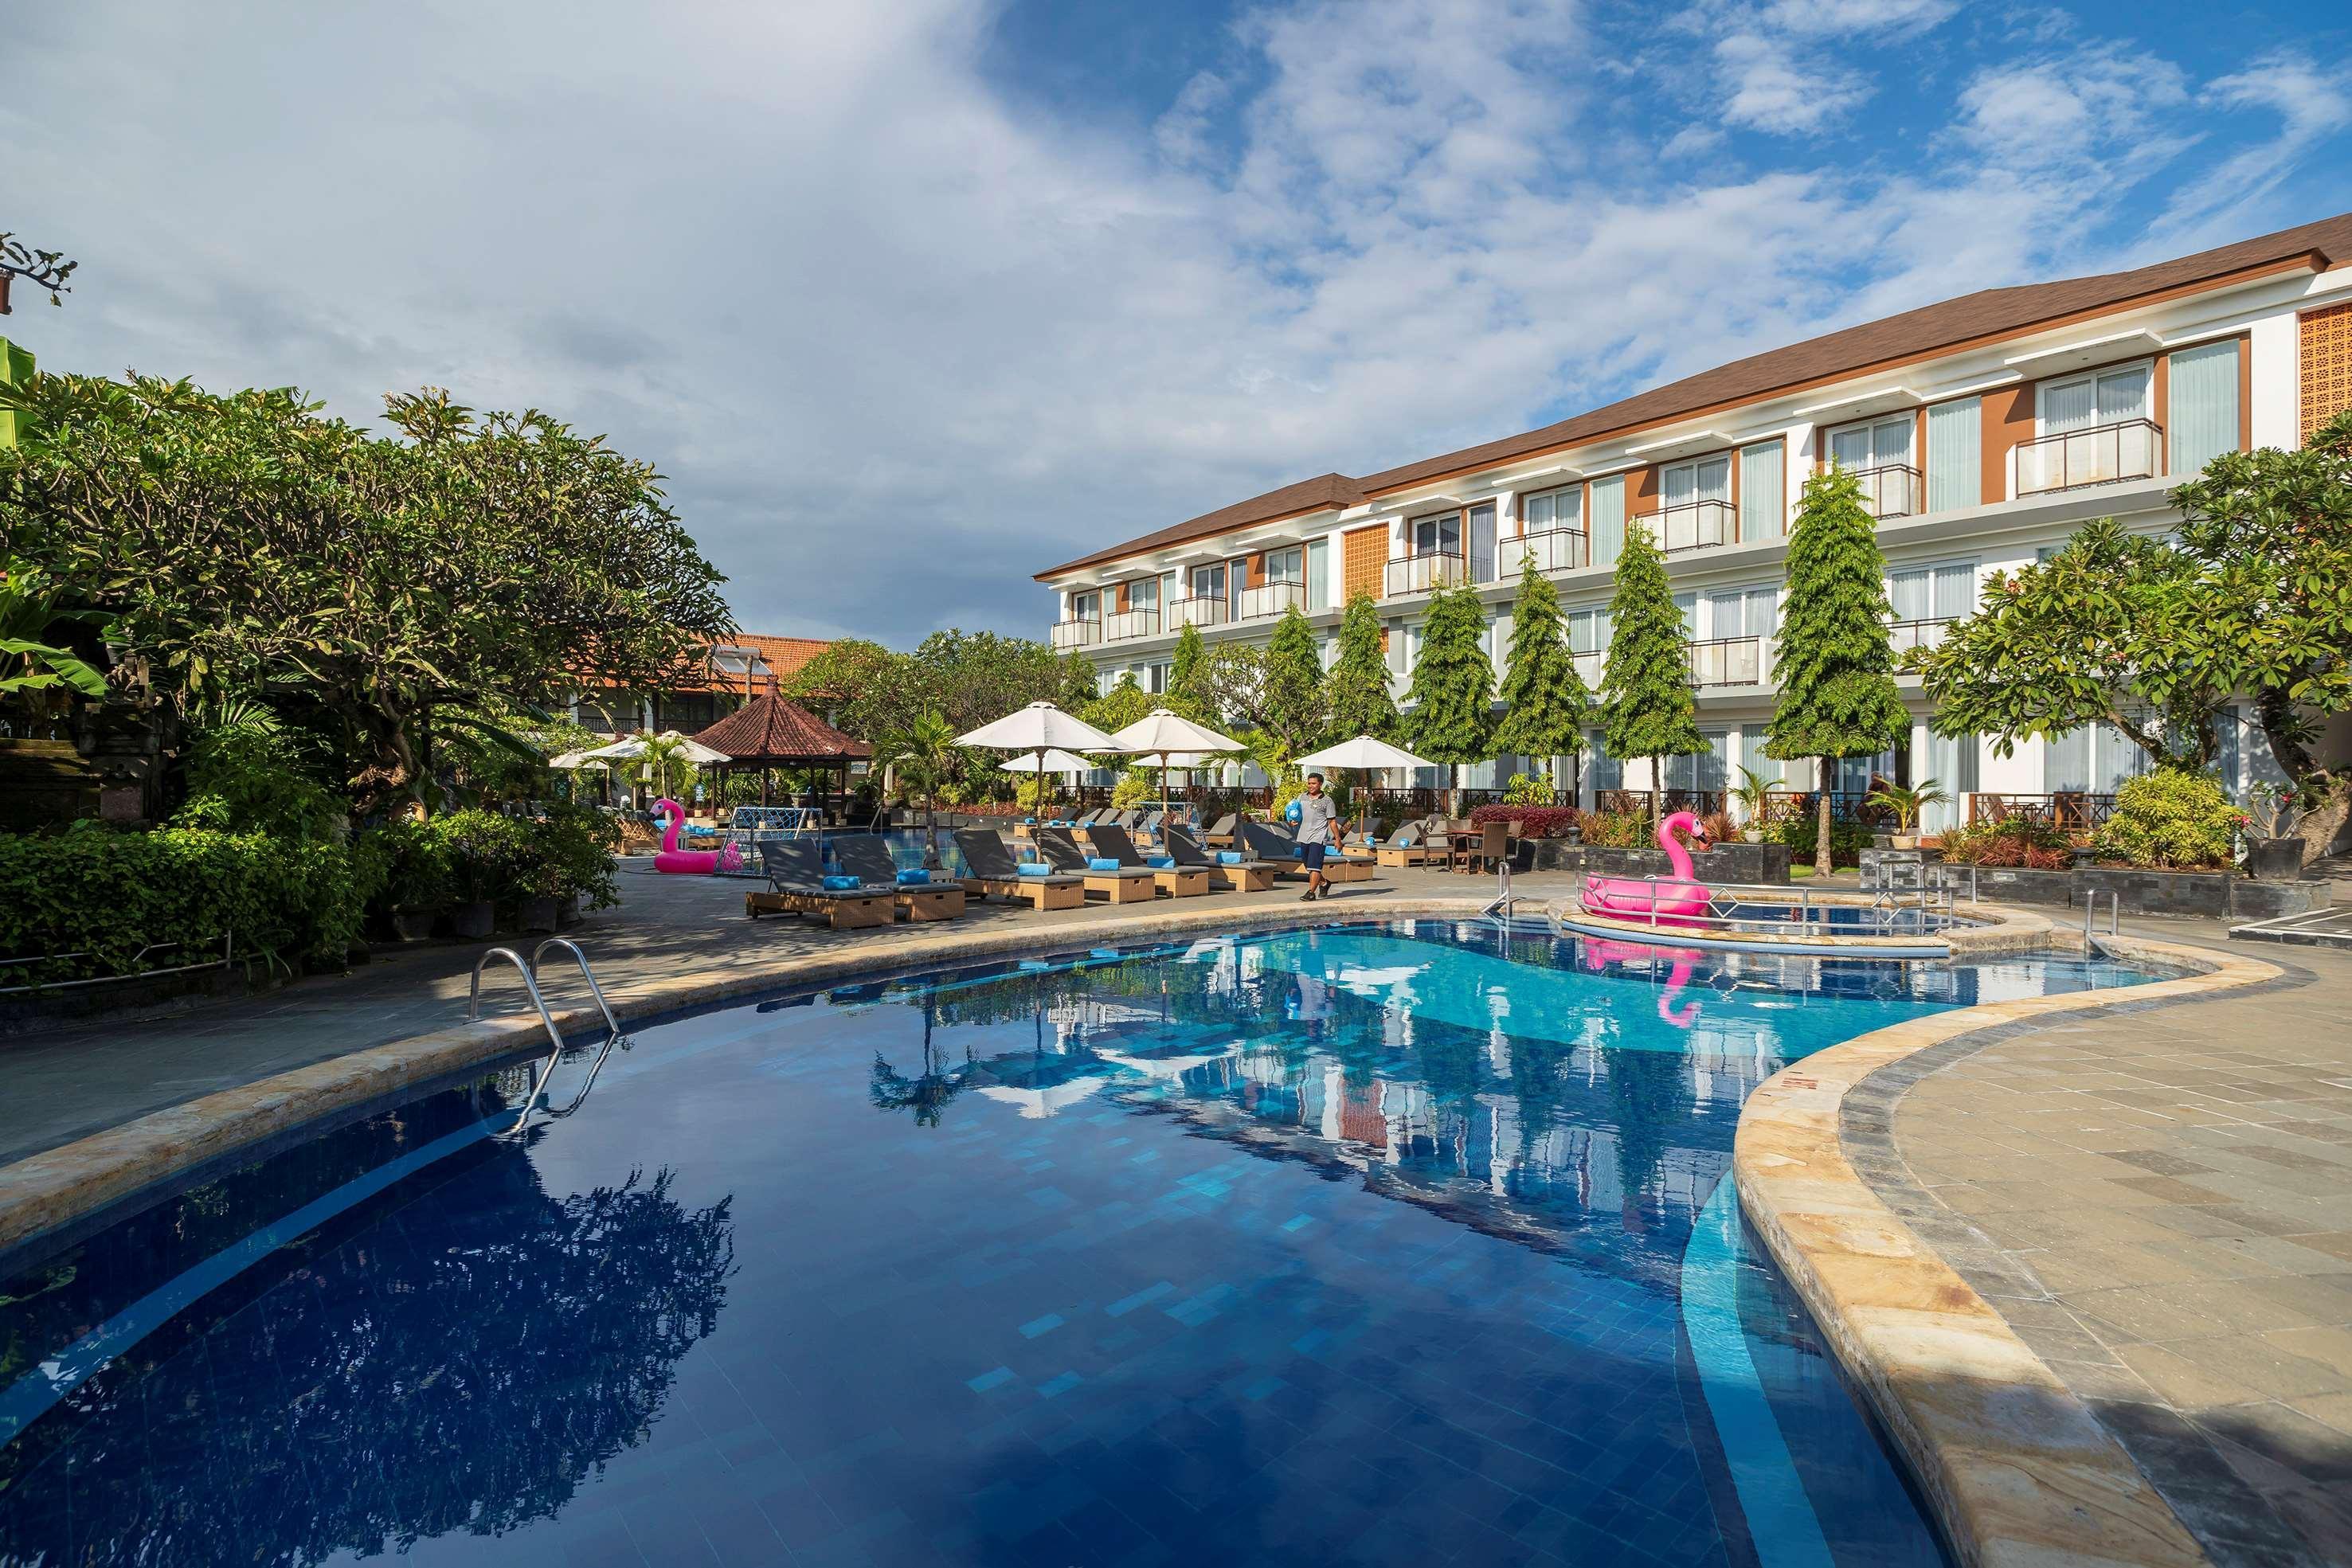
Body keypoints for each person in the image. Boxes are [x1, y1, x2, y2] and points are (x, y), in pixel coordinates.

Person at [1293, 772, 1338, 901]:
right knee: (1308, 865)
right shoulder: (1302, 797)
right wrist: (1293, 821)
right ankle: (1324, 883)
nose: (1310, 786)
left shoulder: (1327, 801)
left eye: (1313, 783)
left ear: (1320, 784)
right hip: (1303, 835)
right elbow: (1297, 815)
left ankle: (1311, 893)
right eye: (1309, 783)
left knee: (1315, 865)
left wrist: (1337, 839)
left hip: (1318, 837)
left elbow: (1332, 821)